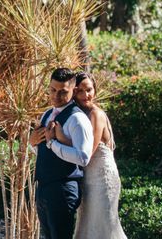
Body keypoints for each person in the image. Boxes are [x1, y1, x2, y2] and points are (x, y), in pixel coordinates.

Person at [53, 72, 127, 239]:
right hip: (85, 178)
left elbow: (87, 152)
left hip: (102, 178)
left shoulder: (95, 114)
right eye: (80, 91)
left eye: (89, 90)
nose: (86, 95)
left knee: (105, 225)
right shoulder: (76, 115)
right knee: (87, 225)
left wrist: (59, 138)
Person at [29, 68, 93, 239]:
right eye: (53, 90)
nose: (56, 96)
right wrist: (33, 142)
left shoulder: (77, 119)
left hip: (64, 189)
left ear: (73, 91)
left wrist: (52, 143)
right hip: (44, 187)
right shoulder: (47, 114)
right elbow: (40, 150)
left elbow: (83, 157)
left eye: (62, 92)